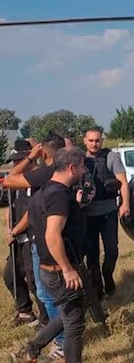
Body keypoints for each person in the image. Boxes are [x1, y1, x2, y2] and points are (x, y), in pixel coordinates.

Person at [11, 146, 89, 363]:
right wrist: (68, 269)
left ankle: (33, 348)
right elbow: (52, 235)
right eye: (82, 167)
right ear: (72, 168)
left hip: (51, 269)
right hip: (58, 271)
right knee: (75, 324)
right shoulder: (59, 196)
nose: (84, 171)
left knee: (71, 313)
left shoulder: (44, 191)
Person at [4, 134, 67, 360]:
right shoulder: (54, 172)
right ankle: (57, 335)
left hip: (44, 240)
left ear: (44, 152)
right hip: (38, 239)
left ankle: (61, 340)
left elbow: (9, 179)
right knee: (45, 292)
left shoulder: (48, 174)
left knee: (51, 293)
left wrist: (32, 156)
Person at [2, 140, 48, 328]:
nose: (15, 164)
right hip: (18, 238)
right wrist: (9, 226)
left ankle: (47, 321)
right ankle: (25, 311)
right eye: (13, 161)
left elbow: (31, 214)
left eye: (18, 160)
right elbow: (10, 207)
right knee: (10, 276)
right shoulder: (18, 181)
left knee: (35, 283)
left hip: (31, 237)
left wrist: (15, 231)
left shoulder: (38, 179)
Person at [82, 126, 130, 299]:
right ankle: (98, 290)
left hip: (108, 211)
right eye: (91, 140)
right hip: (88, 214)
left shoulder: (111, 157)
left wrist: (125, 204)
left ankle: (107, 274)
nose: (94, 144)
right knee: (92, 255)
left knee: (112, 250)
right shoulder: (79, 159)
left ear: (102, 140)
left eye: (97, 140)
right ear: (85, 141)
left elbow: (123, 182)